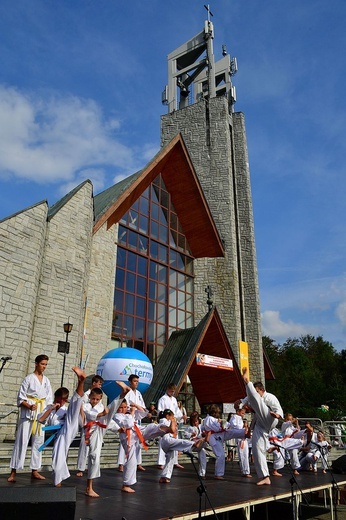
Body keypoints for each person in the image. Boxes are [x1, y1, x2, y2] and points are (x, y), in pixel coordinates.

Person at [38, 366, 86, 486]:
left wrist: (80, 409)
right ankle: (57, 480)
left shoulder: (66, 409)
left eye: (64, 399)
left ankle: (81, 381)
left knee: (74, 408)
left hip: (69, 428)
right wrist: (51, 409)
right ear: (56, 398)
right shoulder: (50, 408)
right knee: (58, 456)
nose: (62, 402)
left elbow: (81, 422)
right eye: (60, 399)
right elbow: (40, 420)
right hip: (59, 435)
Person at [8, 354, 53, 483]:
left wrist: (47, 410)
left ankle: (35, 470)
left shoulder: (46, 381)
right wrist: (28, 405)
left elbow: (49, 399)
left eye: (45, 364)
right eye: (42, 364)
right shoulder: (28, 379)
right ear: (36, 363)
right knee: (21, 441)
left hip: (40, 413)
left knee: (38, 442)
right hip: (28, 414)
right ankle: (13, 471)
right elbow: (20, 398)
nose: (44, 366)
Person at [113, 400, 175, 492]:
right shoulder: (117, 416)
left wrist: (135, 405)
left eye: (125, 407)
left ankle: (168, 429)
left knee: (151, 427)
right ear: (117, 408)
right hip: (127, 437)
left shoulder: (128, 414)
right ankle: (126, 485)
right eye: (121, 408)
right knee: (131, 460)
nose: (123, 409)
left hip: (137, 431)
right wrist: (132, 412)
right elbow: (128, 424)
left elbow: (143, 412)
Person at [82, 381, 129, 497]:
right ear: (89, 397)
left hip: (100, 429)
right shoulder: (86, 406)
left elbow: (108, 421)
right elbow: (89, 415)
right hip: (90, 431)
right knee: (94, 457)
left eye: (97, 399)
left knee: (110, 411)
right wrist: (101, 414)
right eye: (93, 399)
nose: (95, 401)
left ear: (100, 399)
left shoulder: (101, 406)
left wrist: (118, 429)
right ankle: (89, 487)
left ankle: (122, 394)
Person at [241, 367, 283, 486]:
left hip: (270, 419)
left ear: (261, 389)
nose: (256, 394)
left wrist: (277, 414)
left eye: (256, 391)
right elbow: (248, 399)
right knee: (256, 448)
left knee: (257, 401)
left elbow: (279, 409)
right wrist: (240, 403)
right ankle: (265, 476)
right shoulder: (254, 397)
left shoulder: (270, 397)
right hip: (260, 424)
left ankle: (247, 381)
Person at [159, 409, 205, 483]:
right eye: (172, 416)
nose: (173, 418)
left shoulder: (199, 426)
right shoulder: (164, 420)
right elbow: (172, 430)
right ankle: (193, 444)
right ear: (167, 416)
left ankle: (164, 477)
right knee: (183, 442)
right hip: (167, 439)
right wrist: (174, 421)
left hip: (169, 441)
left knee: (170, 458)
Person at [202, 403, 247, 479]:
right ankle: (218, 474)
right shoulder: (208, 419)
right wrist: (221, 424)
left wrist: (223, 424)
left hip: (220, 435)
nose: (218, 414)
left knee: (232, 432)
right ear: (213, 412)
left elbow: (224, 426)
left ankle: (244, 432)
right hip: (214, 437)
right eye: (217, 412)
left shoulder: (214, 419)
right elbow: (217, 429)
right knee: (221, 455)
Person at [117, 374, 151, 473]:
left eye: (137, 381)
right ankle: (121, 464)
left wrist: (146, 412)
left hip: (137, 419)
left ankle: (138, 463)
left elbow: (142, 406)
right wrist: (131, 410)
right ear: (130, 382)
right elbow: (124, 405)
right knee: (126, 442)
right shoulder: (127, 393)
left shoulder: (139, 393)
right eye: (135, 381)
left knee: (137, 442)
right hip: (127, 419)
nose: (136, 383)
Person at [76, 374, 105, 477]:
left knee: (94, 449)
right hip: (87, 424)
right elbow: (81, 409)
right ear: (94, 383)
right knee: (84, 447)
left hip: (96, 426)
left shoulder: (99, 396)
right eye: (99, 384)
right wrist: (83, 422)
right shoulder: (86, 395)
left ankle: (91, 468)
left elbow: (101, 409)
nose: (100, 386)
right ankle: (80, 468)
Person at [157, 383, 184, 469]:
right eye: (171, 391)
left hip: (173, 422)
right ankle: (161, 462)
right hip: (165, 421)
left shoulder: (174, 400)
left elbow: (177, 411)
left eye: (173, 391)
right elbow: (160, 412)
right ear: (167, 389)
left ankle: (175, 461)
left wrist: (181, 416)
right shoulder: (162, 399)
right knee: (163, 441)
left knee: (175, 441)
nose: (172, 392)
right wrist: (166, 418)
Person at [228, 403, 252, 478]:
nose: (243, 415)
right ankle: (245, 471)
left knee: (245, 454)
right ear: (238, 411)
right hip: (240, 438)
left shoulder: (239, 418)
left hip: (243, 438)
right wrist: (243, 426)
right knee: (243, 454)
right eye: (242, 413)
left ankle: (246, 470)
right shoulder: (234, 418)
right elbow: (236, 427)